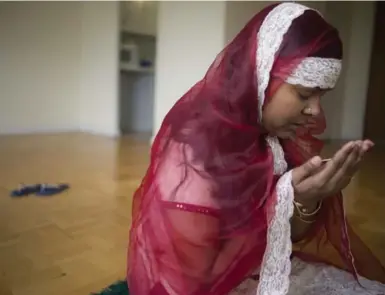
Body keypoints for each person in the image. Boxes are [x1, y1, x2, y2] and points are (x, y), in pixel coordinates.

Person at [127, 2, 385, 295]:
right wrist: (284, 201)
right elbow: (197, 281)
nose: (315, 110)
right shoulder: (193, 155)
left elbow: (288, 237)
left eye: (321, 97)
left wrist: (308, 198)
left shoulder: (271, 137)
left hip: (251, 270)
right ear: (260, 73)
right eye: (304, 93)